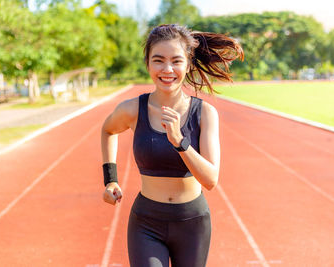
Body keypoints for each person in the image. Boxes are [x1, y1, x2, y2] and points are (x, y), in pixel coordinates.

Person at [101, 24, 244, 267]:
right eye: (158, 60)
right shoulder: (132, 109)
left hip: (192, 224)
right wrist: (110, 180)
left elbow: (210, 180)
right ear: (147, 63)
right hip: (146, 222)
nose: (167, 69)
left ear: (187, 64)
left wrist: (180, 142)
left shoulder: (205, 113)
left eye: (176, 61)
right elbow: (108, 130)